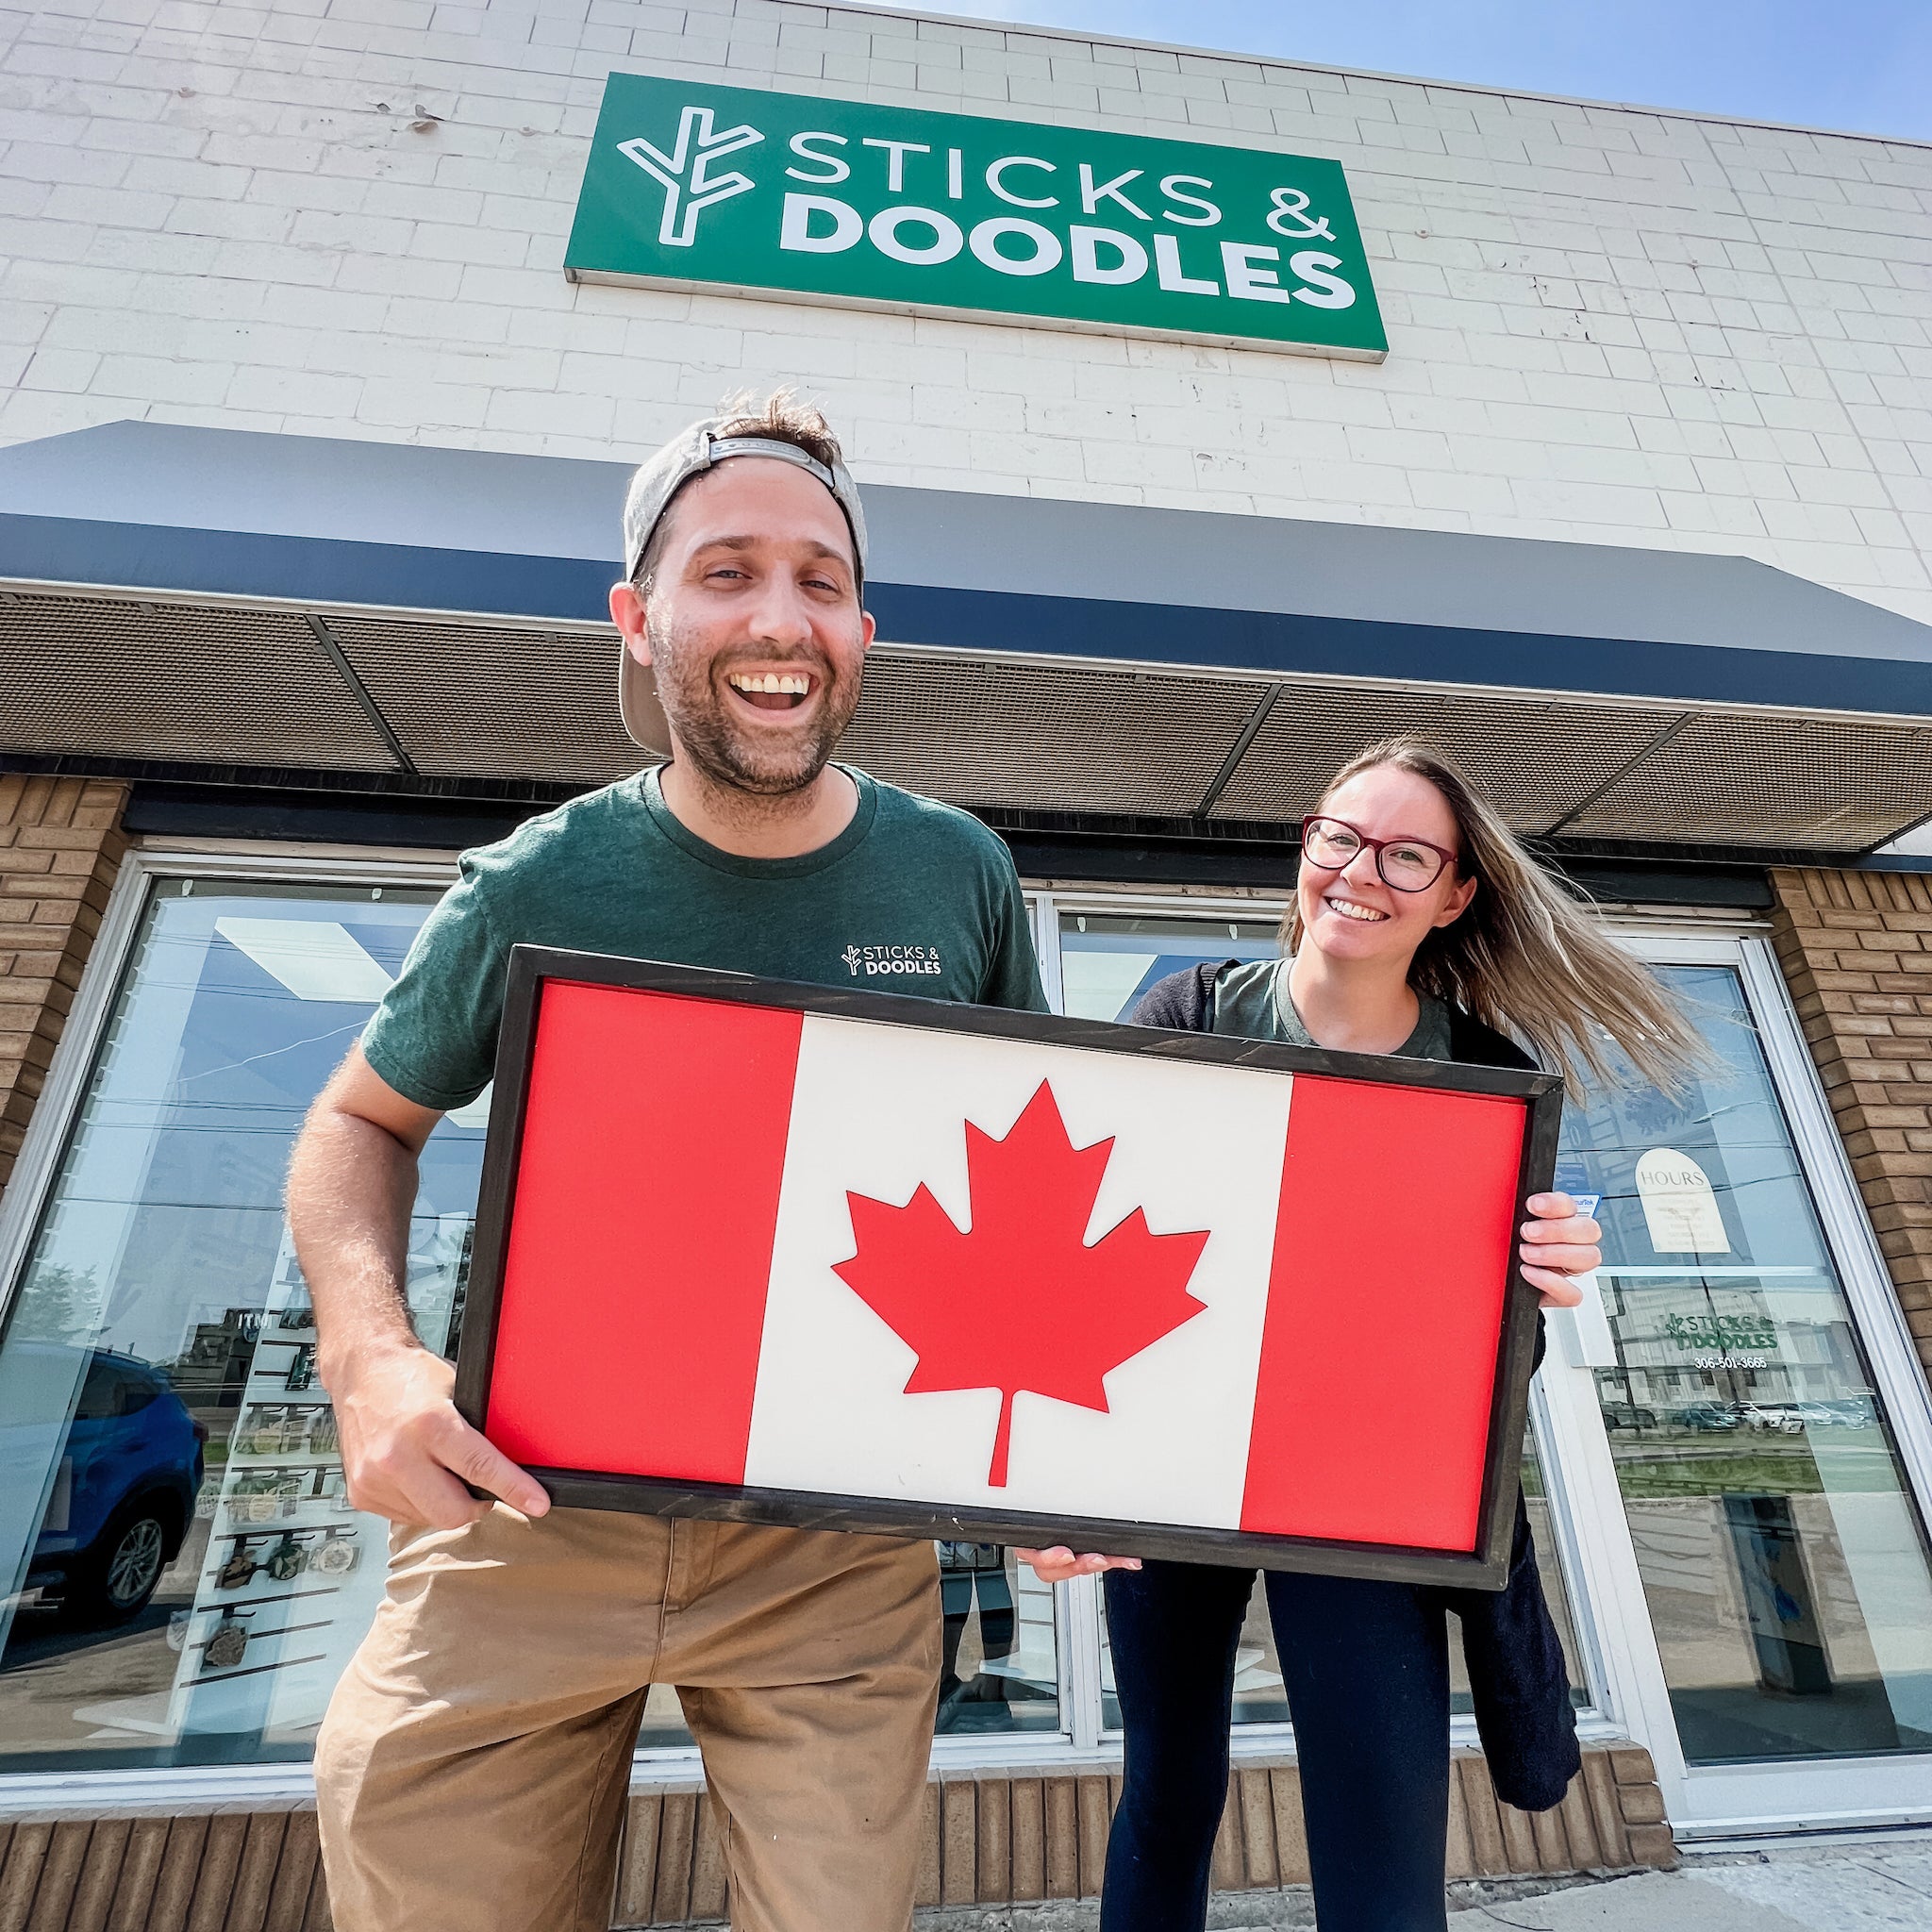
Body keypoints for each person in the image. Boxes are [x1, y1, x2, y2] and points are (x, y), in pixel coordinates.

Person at [289, 395, 1047, 1932]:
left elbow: (1019, 1185)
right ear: (638, 619)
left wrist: (1063, 1447)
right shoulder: (541, 876)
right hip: (522, 1507)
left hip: (832, 1539)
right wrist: (371, 1358)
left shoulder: (956, 871)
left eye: (819, 581)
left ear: (861, 627)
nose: (780, 617)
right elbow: (355, 1123)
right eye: (727, 570)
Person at [1024, 737, 1703, 1932]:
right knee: (1167, 1791)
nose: (1360, 870)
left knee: (1382, 1828)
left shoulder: (1487, 1072)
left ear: (1452, 894)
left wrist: (1534, 1286)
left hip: (1366, 1485)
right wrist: (1063, 1469)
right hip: (1181, 1467)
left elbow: (1484, 1364)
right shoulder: (1189, 1009)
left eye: (1403, 853)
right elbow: (1080, 1254)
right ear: (1305, 845)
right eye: (1340, 836)